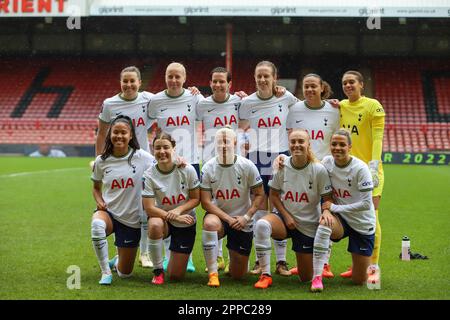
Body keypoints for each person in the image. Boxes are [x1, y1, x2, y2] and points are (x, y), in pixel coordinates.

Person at [238, 60, 298, 276]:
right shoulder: (246, 103)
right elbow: (236, 123)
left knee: (279, 207)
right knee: (258, 209)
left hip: (281, 158)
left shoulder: (287, 98)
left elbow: (304, 111)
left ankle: (281, 261)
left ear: (275, 78)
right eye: (259, 76)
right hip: (256, 159)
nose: (262, 80)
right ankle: (259, 260)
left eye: (267, 76)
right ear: (254, 78)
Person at [277, 73, 340, 277]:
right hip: (300, 169)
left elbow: (338, 137)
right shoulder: (295, 109)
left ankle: (326, 262)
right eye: (306, 86)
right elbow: (290, 137)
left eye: (314, 86)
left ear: (322, 88)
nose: (310, 90)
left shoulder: (334, 110)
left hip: (325, 169)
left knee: (324, 213)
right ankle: (297, 258)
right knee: (300, 210)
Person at [253, 129, 333, 289]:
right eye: (293, 141)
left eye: (301, 141)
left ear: (308, 144)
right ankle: (265, 275)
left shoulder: (318, 169)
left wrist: (326, 210)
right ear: (289, 144)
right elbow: (274, 195)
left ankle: (309, 267)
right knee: (261, 225)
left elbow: (328, 198)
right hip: (284, 220)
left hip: (308, 226)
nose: (297, 145)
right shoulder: (281, 165)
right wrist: (286, 216)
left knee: (305, 278)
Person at [95, 66, 155, 269]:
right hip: (117, 162)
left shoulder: (148, 100)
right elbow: (102, 133)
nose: (129, 85)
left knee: (145, 207)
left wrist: (193, 92)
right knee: (119, 206)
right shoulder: (110, 104)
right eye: (125, 81)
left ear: (140, 82)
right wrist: (98, 160)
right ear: (120, 82)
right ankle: (120, 254)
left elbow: (171, 100)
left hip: (143, 162)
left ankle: (145, 253)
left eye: (132, 81)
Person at [147, 62, 204, 272]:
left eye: (177, 76)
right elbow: (142, 123)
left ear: (185, 77)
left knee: (189, 207)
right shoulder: (155, 100)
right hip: (164, 161)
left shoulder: (194, 97)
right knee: (163, 207)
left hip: (190, 161)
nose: (173, 80)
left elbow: (217, 105)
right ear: (164, 77)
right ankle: (159, 255)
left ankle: (185, 254)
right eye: (170, 76)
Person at [90, 115, 154, 285]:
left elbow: (163, 166)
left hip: (131, 219)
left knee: (125, 274)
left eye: (123, 133)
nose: (119, 136)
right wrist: (99, 201)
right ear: (110, 134)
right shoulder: (101, 161)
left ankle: (118, 259)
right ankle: (105, 272)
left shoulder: (143, 157)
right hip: (109, 213)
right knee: (97, 225)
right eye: (115, 132)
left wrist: (178, 160)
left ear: (131, 135)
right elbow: (96, 187)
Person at [310, 129, 376, 292]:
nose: (337, 148)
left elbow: (367, 204)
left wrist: (333, 207)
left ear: (350, 147)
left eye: (342, 144)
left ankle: (361, 267)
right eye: (334, 144)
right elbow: (311, 164)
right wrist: (282, 158)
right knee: (325, 224)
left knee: (359, 281)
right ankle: (317, 277)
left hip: (362, 222)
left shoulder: (360, 169)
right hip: (341, 219)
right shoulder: (327, 162)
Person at [200, 127, 265, 287]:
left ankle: (234, 255)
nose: (223, 146)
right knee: (209, 224)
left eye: (226, 142)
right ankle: (213, 273)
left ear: (235, 143)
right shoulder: (208, 167)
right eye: (219, 142)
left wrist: (246, 217)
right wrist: (228, 219)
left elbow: (259, 194)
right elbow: (206, 202)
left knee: (239, 275)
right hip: (221, 218)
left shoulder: (247, 165)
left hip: (242, 221)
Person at [197, 67, 245, 273]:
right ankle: (216, 257)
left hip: (235, 164)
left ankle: (230, 252)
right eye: (214, 81)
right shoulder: (201, 104)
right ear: (210, 83)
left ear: (229, 84)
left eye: (221, 81)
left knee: (235, 203)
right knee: (213, 205)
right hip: (210, 164)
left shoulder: (239, 102)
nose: (218, 85)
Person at [338, 70, 385, 281]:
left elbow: (377, 137)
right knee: (353, 217)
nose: (348, 86)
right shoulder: (340, 106)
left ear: (361, 85)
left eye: (351, 82)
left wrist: (373, 167)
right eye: (345, 83)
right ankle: (359, 265)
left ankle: (373, 269)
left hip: (370, 172)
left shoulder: (373, 106)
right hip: (347, 174)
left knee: (371, 218)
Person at [142, 132, 200, 284]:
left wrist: (178, 211)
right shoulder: (148, 175)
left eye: (166, 147)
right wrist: (173, 216)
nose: (162, 152)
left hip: (185, 221)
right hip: (163, 220)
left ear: (174, 148)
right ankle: (158, 271)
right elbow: (149, 208)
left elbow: (196, 199)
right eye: (157, 148)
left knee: (175, 276)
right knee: (154, 224)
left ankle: (177, 261)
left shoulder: (187, 169)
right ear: (152, 150)